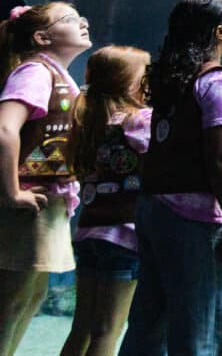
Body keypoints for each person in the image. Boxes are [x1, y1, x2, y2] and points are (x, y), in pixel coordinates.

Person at [119, 0, 222, 355]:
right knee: (202, 324)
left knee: (150, 319)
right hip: (194, 218)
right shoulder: (219, 83)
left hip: (154, 208)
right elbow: (221, 159)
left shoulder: (175, 82)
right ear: (221, 32)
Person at [0, 3, 92, 356]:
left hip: (47, 201)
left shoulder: (53, 74)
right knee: (12, 299)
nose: (82, 21)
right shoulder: (36, 73)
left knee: (29, 296)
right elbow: (6, 128)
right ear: (42, 37)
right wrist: (12, 192)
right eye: (70, 19)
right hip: (27, 203)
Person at [61, 45, 151, 356]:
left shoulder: (88, 124)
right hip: (124, 237)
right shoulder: (139, 121)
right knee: (107, 331)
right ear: (132, 85)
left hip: (88, 234)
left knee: (82, 327)